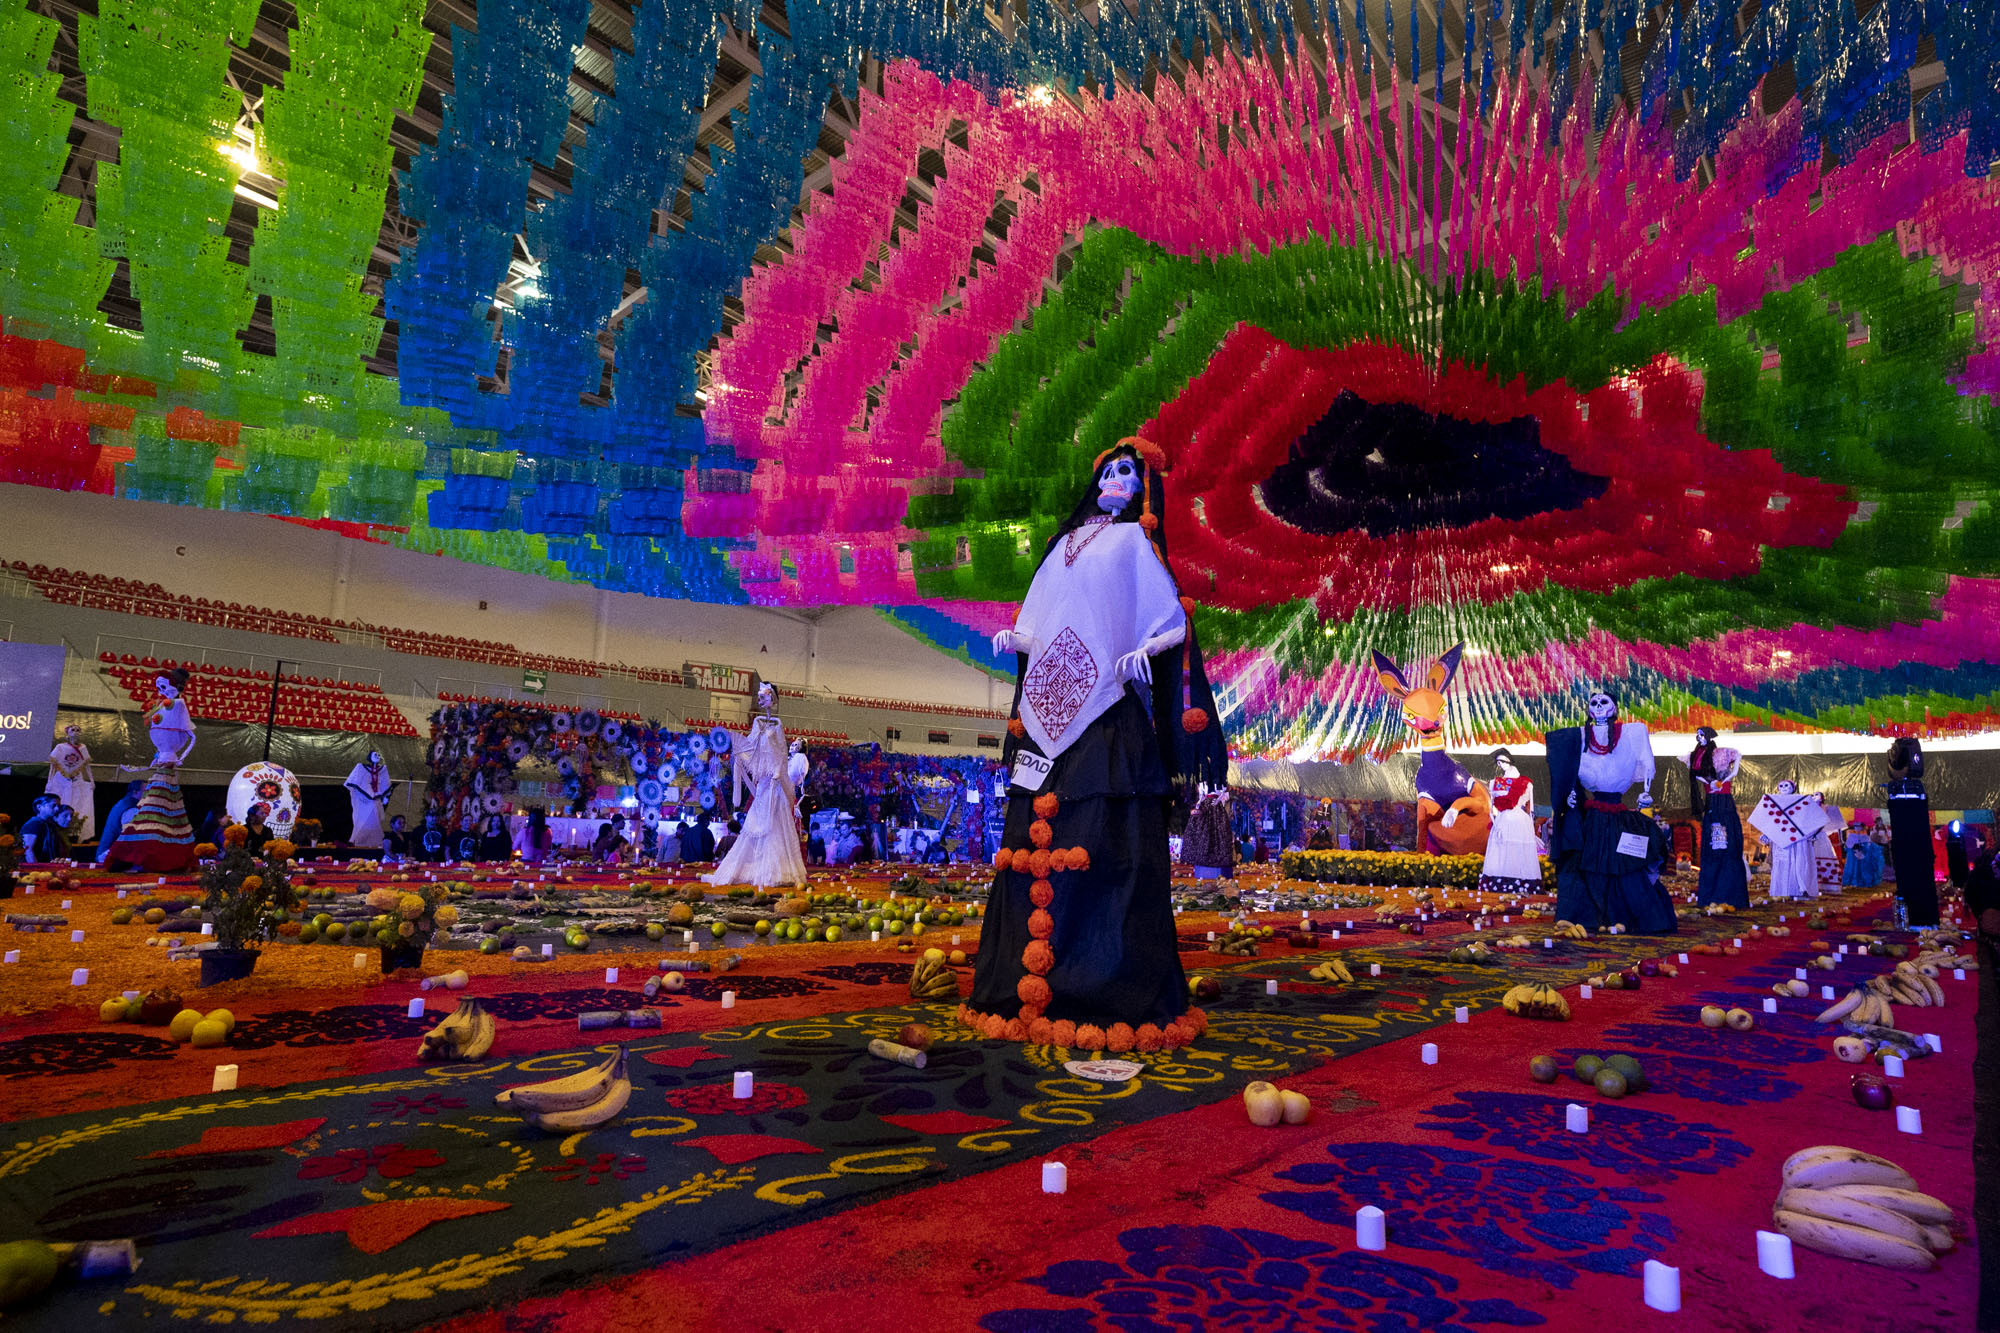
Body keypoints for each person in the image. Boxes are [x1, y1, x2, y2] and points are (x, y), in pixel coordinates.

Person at [968, 436, 1226, 1047]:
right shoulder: (1062, 546)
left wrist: (1146, 649)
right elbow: (1042, 616)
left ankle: (1098, 983)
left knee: (1102, 840)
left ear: (1143, 488)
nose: (1116, 480)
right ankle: (1020, 984)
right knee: (1032, 831)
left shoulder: (1134, 541)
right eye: (1109, 471)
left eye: (1127, 473)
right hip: (1046, 705)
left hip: (1110, 703)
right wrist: (1017, 636)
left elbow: (1166, 618)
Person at [1544, 688, 1676, 933]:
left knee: (1624, 864)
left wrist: (1646, 791)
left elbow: (1646, 765)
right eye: (1593, 702)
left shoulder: (1630, 734)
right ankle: (1589, 915)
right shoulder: (1580, 737)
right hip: (1592, 815)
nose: (1598, 706)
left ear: (1614, 708)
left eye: (1604, 701)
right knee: (1586, 864)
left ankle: (1625, 915)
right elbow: (1568, 771)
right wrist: (1570, 794)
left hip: (1617, 813)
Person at [704, 684, 807, 888]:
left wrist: (778, 772)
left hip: (775, 781)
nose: (761, 700)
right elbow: (752, 746)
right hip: (764, 782)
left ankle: (776, 870)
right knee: (756, 823)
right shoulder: (758, 722)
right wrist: (740, 754)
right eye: (759, 696)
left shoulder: (777, 724)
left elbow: (780, 752)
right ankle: (754, 867)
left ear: (773, 699)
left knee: (776, 825)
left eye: (764, 696)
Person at [106, 668, 199, 872]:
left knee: (159, 809)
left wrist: (179, 758)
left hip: (168, 764)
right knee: (154, 809)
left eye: (164, 686)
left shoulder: (179, 705)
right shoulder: (162, 706)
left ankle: (154, 856)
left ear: (177, 687)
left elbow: (191, 736)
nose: (161, 690)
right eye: (158, 687)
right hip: (161, 762)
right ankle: (142, 855)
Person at [1687, 727, 1749, 908]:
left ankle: (1729, 892)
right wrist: (1709, 782)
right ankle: (1711, 893)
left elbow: (1736, 765)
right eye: (1697, 735)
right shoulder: (1696, 755)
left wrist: (1723, 780)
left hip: (1724, 803)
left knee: (1728, 846)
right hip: (1712, 804)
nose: (1698, 737)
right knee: (1713, 846)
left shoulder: (1722, 754)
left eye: (1701, 734)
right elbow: (1697, 776)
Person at [1881, 738, 1939, 926]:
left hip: (1915, 840)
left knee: (1917, 866)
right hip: (1905, 841)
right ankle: (1913, 917)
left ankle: (1922, 917)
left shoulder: (1914, 788)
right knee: (1907, 866)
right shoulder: (1896, 790)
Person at [1751, 778, 1832, 900]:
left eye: (1786, 785)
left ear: (1793, 787)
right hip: (1780, 841)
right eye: (1781, 785)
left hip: (1798, 841)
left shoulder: (1802, 800)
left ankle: (1798, 889)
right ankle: (1781, 889)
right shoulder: (1772, 800)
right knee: (1782, 863)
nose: (1783, 787)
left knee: (1797, 863)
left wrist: (1809, 833)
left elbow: (1813, 817)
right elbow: (1769, 820)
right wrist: (1767, 833)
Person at [1479, 749, 1541, 893]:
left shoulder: (1526, 783)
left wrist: (1533, 829)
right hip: (1502, 820)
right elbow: (1491, 807)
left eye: (1503, 761)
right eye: (1498, 762)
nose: (1501, 764)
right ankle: (1500, 882)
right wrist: (1494, 822)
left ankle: (1524, 883)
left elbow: (1529, 809)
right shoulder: (1496, 783)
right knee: (1501, 850)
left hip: (1520, 820)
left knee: (1519, 850)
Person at [45, 724, 95, 842]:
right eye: (73, 730)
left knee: (78, 804)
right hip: (61, 780)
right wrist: (49, 781)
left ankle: (75, 833)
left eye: (78, 730)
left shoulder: (83, 748)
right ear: (68, 733)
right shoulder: (60, 747)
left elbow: (87, 765)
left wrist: (91, 780)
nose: (76, 732)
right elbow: (53, 765)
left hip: (77, 780)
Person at [345, 750, 392, 850]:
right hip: (363, 801)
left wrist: (385, 796)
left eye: (378, 755)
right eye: (375, 754)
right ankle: (358, 843)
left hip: (376, 800)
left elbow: (385, 783)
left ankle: (375, 844)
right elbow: (353, 783)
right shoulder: (360, 768)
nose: (377, 756)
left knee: (375, 820)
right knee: (361, 821)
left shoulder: (382, 769)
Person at [97, 780, 146, 866]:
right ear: (135, 792)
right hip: (110, 856)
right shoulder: (130, 808)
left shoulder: (123, 803)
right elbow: (130, 836)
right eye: (146, 791)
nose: (149, 795)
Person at [21, 794, 71, 862]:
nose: (57, 808)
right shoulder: (33, 824)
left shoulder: (50, 824)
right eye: (53, 805)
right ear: (39, 807)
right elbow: (27, 850)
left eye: (58, 806)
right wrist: (36, 869)